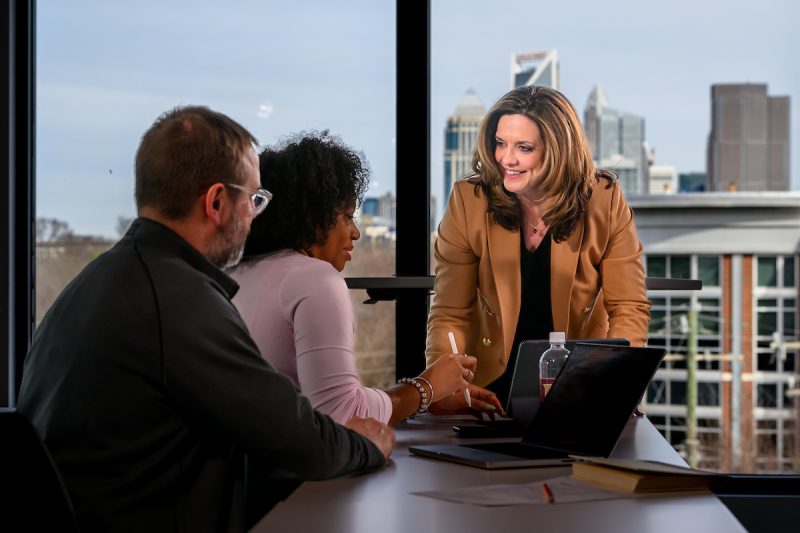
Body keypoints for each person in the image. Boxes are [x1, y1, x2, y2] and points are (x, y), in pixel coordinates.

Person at [16, 106, 393, 533]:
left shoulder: (96, 281)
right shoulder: (177, 299)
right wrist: (366, 444)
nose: (255, 217)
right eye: (254, 201)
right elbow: (298, 439)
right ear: (216, 202)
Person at [231, 132, 503, 427]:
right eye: (348, 216)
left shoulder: (238, 273)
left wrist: (421, 398)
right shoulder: (313, 279)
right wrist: (428, 387)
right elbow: (343, 414)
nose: (356, 233)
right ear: (314, 218)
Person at [426, 86, 651, 405]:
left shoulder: (604, 200)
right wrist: (444, 389)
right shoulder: (469, 200)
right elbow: (451, 313)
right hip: (487, 389)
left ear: (558, 150)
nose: (506, 158)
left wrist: (616, 385)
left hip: (580, 386)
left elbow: (628, 307)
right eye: (500, 143)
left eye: (524, 147)